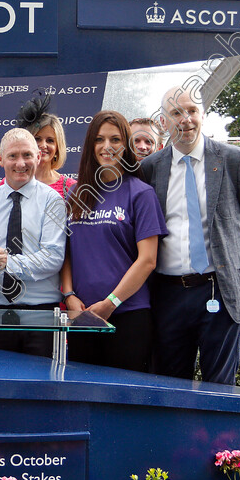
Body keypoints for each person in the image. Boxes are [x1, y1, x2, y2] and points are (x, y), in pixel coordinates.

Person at [140, 86, 240, 385]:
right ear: (163, 121)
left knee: (220, 390)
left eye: (192, 110)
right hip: (167, 294)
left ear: (203, 115)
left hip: (219, 292)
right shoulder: (150, 168)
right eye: (176, 113)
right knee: (170, 386)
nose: (186, 119)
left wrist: (236, 277)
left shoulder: (235, 160)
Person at [60, 111, 167, 372]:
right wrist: (69, 296)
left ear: (126, 145)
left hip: (128, 315)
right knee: (81, 397)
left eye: (115, 139)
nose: (106, 147)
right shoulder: (77, 193)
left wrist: (111, 304)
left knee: (122, 400)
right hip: (81, 315)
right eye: (99, 139)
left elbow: (147, 260)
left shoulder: (141, 194)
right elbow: (66, 253)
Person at [0, 128, 66, 358]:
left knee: (40, 387)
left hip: (42, 315)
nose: (20, 163)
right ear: (0, 159)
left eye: (27, 155)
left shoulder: (52, 201)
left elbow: (53, 257)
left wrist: (8, 263)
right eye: (13, 156)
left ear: (38, 157)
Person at [14, 94, 76, 197]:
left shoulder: (70, 187)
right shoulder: (11, 183)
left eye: (50, 141)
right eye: (37, 139)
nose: (43, 145)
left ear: (57, 147)